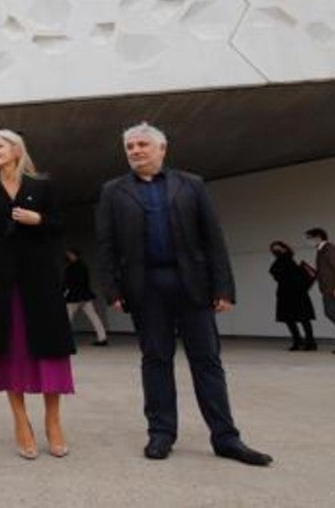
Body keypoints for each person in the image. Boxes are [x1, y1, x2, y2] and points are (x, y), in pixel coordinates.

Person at [95, 122, 272, 466]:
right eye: (130, 147)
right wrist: (112, 289)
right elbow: (107, 245)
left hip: (193, 286)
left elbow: (213, 238)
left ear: (162, 149)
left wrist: (223, 287)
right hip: (146, 289)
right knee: (156, 360)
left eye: (143, 144)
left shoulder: (191, 184)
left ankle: (226, 438)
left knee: (207, 361)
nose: (136, 151)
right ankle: (161, 434)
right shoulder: (113, 191)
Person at [0, 129, 75, 459]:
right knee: (10, 348)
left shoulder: (42, 186)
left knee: (49, 347)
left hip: (40, 280)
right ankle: (20, 420)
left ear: (16, 149)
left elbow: (60, 226)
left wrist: (38, 218)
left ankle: (53, 420)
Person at [267, 241, 316, 351]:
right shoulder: (280, 261)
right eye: (273, 249)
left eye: (278, 248)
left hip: (297, 292)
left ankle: (310, 342)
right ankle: (298, 341)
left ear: (284, 248)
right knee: (289, 318)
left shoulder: (289, 259)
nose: (276, 251)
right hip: (285, 293)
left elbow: (282, 273)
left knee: (303, 318)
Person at [63, 248, 108, 347]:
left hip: (74, 298)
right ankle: (102, 338)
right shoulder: (83, 267)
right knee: (94, 317)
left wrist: (64, 294)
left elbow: (68, 284)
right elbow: (85, 283)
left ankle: (64, 340)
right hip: (85, 296)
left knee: (67, 319)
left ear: (74, 255)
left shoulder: (70, 268)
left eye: (70, 254)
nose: (68, 256)